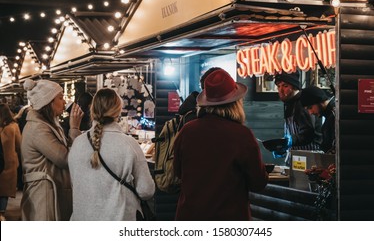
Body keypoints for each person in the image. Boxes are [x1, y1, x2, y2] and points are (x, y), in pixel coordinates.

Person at [173, 69, 268, 220]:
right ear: (236, 102)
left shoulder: (187, 131)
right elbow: (258, 182)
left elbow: (178, 172)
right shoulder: (242, 135)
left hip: (190, 217)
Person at [68, 88, 155, 220]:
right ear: (118, 111)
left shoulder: (78, 144)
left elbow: (75, 182)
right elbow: (146, 190)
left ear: (92, 110)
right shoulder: (129, 144)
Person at [20, 78, 84, 221]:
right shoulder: (38, 128)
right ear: (48, 102)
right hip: (45, 196)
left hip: (51, 192)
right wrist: (74, 128)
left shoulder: (48, 125)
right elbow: (65, 159)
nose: (64, 102)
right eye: (60, 98)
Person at [272, 71, 322, 158]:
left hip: (310, 158)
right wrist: (284, 148)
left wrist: (290, 140)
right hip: (296, 159)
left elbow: (309, 134)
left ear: (295, 87)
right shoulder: (289, 104)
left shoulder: (303, 103)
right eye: (278, 86)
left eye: (285, 86)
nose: (280, 90)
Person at [0, 104, 22, 221]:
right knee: (5, 190)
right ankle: (2, 212)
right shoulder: (13, 127)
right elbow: (19, 145)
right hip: (10, 163)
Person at [300, 86, 336, 153]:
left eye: (310, 107)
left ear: (319, 100)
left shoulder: (334, 115)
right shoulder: (329, 116)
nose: (310, 112)